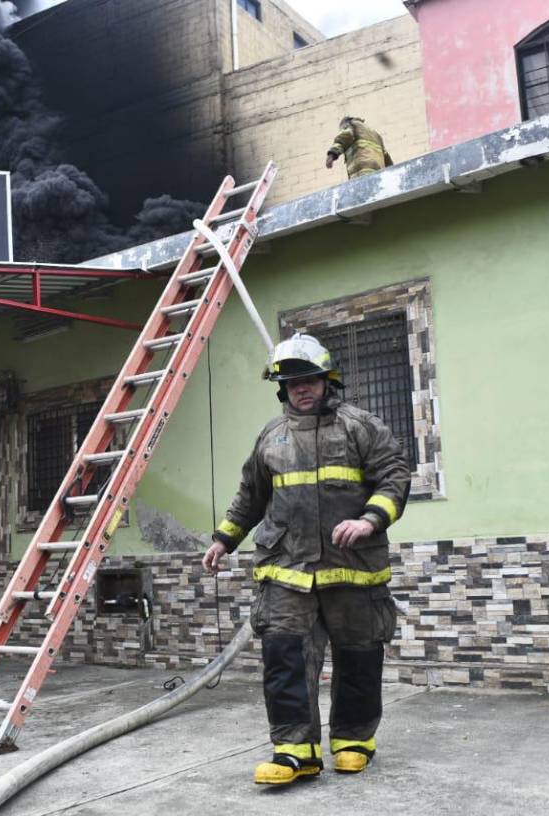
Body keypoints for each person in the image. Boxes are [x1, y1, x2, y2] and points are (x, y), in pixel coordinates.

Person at [202, 333, 411, 785]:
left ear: (326, 379)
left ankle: (354, 740)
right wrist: (224, 540)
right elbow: (250, 498)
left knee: (358, 656)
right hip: (286, 570)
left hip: (353, 568)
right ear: (281, 387)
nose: (302, 388)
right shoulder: (270, 437)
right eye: (292, 381)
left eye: (310, 379)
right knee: (285, 658)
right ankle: (295, 750)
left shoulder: (361, 427)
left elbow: (394, 478)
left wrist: (371, 520)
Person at [325, 115, 394, 179]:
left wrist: (332, 154)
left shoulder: (352, 125)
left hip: (362, 169)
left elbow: (345, 137)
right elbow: (386, 157)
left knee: (362, 188)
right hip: (378, 171)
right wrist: (392, 174)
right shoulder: (375, 134)